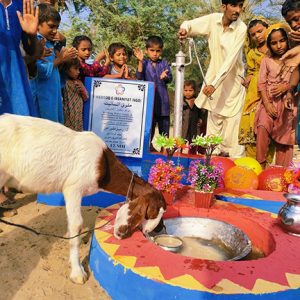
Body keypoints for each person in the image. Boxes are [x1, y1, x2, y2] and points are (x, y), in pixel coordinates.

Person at [178, 0, 247, 158]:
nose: (237, 10)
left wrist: (215, 83)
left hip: (233, 86)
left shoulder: (241, 28)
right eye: (234, 5)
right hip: (213, 85)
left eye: (240, 6)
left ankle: (234, 174)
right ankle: (209, 172)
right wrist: (184, 29)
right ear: (224, 7)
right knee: (213, 128)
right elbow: (190, 24)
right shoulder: (213, 20)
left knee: (232, 133)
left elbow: (230, 61)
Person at [255, 24, 299, 168]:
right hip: (268, 102)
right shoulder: (266, 61)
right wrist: (267, 105)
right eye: (274, 43)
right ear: (269, 44)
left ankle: (281, 174)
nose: (279, 46)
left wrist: (286, 87)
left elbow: (296, 79)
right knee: (262, 127)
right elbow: (261, 84)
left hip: (287, 103)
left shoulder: (295, 58)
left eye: (282, 41)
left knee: (285, 139)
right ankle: (259, 167)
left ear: (288, 40)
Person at [33, 3, 77, 123]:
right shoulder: (35, 42)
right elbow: (40, 71)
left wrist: (65, 59)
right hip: (42, 98)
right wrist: (60, 59)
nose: (55, 31)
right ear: (37, 24)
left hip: (53, 96)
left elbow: (55, 71)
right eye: (51, 26)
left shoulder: (49, 43)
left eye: (57, 27)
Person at [239, 19, 274, 163]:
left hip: (271, 88)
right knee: (252, 127)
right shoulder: (251, 53)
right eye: (253, 34)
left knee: (267, 126)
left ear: (268, 28)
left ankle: (267, 167)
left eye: (260, 31)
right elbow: (251, 71)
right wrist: (248, 78)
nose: (257, 36)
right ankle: (252, 166)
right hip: (254, 93)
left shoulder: (276, 48)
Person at [134, 36, 172, 146]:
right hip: (149, 102)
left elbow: (169, 78)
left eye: (157, 51)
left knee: (164, 130)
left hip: (163, 103)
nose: (155, 54)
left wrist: (165, 77)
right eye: (152, 50)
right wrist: (140, 61)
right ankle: (147, 149)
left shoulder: (164, 63)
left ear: (161, 51)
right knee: (148, 129)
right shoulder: (144, 63)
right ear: (146, 51)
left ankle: (166, 153)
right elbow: (139, 78)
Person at [61, 58, 88, 131]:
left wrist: (82, 90)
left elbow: (86, 98)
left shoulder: (79, 82)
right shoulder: (64, 82)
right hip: (67, 116)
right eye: (75, 69)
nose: (78, 72)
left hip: (78, 117)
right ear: (66, 69)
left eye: (79, 69)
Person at [182, 80, 207, 154]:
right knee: (181, 143)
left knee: (193, 144)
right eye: (185, 90)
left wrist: (201, 119)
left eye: (190, 90)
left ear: (194, 91)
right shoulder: (181, 101)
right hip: (183, 128)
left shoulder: (197, 101)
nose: (188, 92)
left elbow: (202, 112)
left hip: (194, 127)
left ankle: (192, 159)